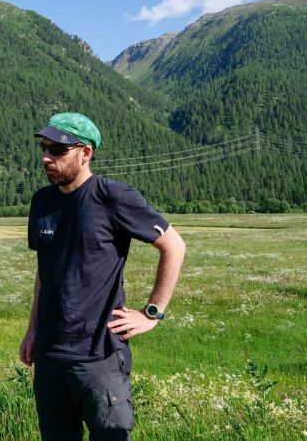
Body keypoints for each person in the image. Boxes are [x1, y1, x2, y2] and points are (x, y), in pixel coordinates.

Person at [20, 112, 186, 440]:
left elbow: (174, 246)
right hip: (50, 356)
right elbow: (44, 272)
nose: (46, 156)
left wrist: (151, 313)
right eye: (45, 147)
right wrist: (32, 330)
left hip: (99, 359)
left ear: (86, 153)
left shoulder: (113, 197)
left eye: (57, 150)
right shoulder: (42, 202)